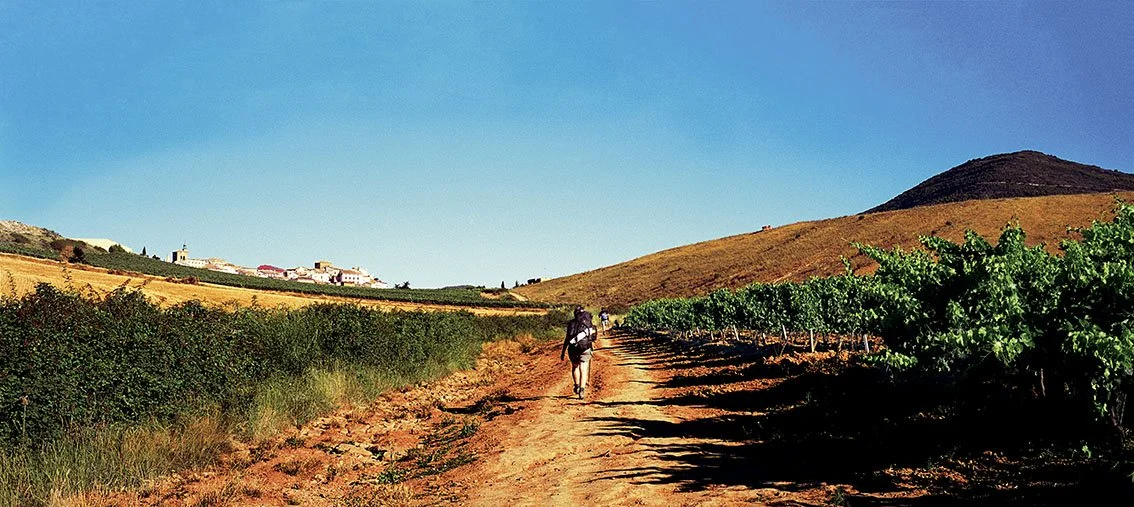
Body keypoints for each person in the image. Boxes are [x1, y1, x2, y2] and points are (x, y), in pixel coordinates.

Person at [561, 306, 597, 399]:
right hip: (585, 348)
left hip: (573, 348)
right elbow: (593, 337)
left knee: (575, 367)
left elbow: (567, 338)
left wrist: (563, 351)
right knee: (583, 369)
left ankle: (576, 386)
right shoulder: (588, 323)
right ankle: (582, 390)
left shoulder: (571, 323)